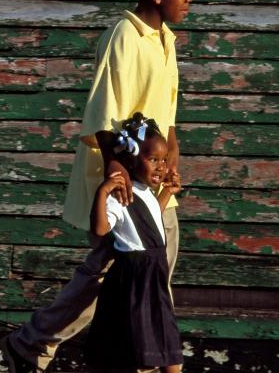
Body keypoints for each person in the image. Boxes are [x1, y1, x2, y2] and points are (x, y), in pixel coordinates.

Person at [0, 0, 192, 371]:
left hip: (154, 185)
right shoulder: (124, 35)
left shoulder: (165, 41)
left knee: (139, 276)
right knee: (122, 276)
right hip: (127, 186)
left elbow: (167, 122)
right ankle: (36, 344)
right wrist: (121, 187)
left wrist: (171, 165)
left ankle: (35, 345)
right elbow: (106, 119)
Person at [85, 113, 183, 372]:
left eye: (163, 160)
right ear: (130, 159)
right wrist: (103, 191)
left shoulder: (147, 192)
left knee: (168, 344)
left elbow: (150, 220)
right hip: (134, 277)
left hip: (155, 273)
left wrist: (166, 195)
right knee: (133, 346)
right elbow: (100, 228)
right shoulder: (120, 195)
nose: (161, 167)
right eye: (153, 160)